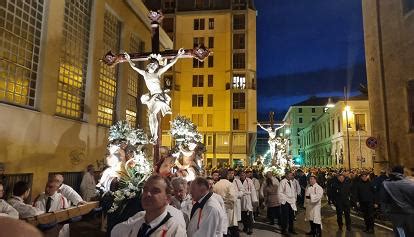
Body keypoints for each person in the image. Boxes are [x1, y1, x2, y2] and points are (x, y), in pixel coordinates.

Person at [124, 49, 185, 143]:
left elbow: (170, 64)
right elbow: (134, 67)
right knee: (151, 116)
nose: (154, 66)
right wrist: (128, 59)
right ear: (149, 65)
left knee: (153, 114)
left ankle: (155, 135)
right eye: (153, 64)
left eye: (156, 65)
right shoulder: (145, 74)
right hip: (151, 98)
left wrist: (178, 55)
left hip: (159, 97)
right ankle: (154, 135)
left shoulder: (158, 73)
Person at [111, 175, 186, 237]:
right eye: (145, 190)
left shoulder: (176, 231)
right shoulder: (136, 222)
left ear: (168, 199)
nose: (148, 194)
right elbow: (114, 231)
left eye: (155, 191)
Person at [380, 165, 414, 236]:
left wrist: (387, 213)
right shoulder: (410, 183)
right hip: (410, 213)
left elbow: (383, 200)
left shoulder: (386, 184)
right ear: (402, 172)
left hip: (395, 214)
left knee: (400, 234)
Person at [212, 170, 236, 236]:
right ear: (227, 175)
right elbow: (233, 197)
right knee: (228, 226)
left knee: (221, 226)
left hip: (218, 207)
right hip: (228, 207)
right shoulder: (229, 184)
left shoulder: (216, 184)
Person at [239, 169, 258, 235]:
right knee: (243, 215)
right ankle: (245, 227)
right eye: (241, 174)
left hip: (247, 199)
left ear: (245, 175)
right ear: (239, 175)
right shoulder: (237, 181)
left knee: (249, 214)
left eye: (243, 174)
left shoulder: (249, 181)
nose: (242, 175)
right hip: (240, 199)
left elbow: (252, 190)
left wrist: (254, 200)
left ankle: (250, 228)